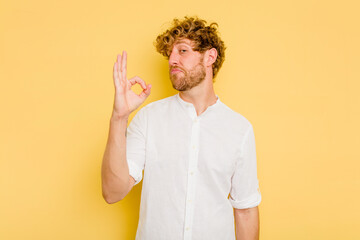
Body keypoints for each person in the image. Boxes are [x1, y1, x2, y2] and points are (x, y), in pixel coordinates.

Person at [101, 16, 261, 240]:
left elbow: (245, 210)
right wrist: (119, 117)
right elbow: (112, 192)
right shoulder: (148, 119)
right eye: (170, 54)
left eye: (182, 51)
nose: (172, 60)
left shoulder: (239, 129)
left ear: (210, 56)